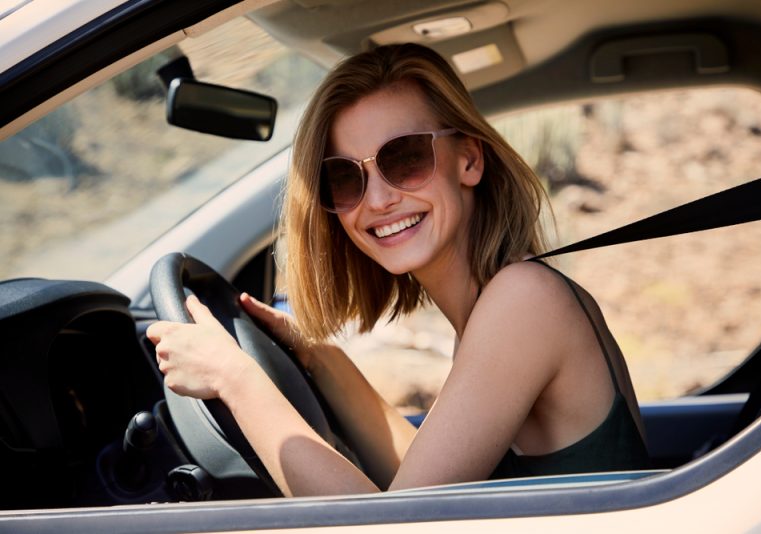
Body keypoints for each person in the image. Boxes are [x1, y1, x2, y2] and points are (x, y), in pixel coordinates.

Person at [146, 43, 649, 497]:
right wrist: (321, 358)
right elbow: (424, 483)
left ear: (469, 160)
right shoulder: (499, 306)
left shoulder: (524, 302)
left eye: (405, 158)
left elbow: (389, 526)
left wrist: (234, 378)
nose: (379, 199)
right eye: (344, 178)